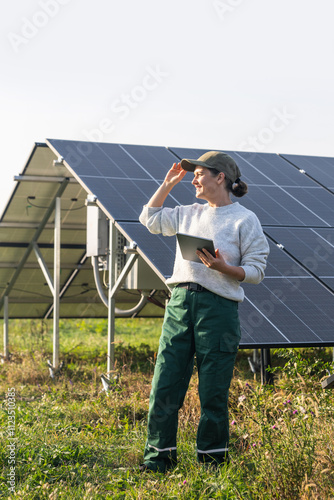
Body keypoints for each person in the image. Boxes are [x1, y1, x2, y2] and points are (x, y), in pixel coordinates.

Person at [138, 151, 269, 473]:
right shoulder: (186, 213)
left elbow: (256, 270)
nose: (193, 179)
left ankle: (212, 463)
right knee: (164, 386)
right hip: (180, 303)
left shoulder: (244, 219)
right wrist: (167, 185)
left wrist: (226, 268)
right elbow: (150, 219)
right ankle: (158, 460)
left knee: (213, 391)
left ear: (219, 177)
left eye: (199, 174)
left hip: (218, 309)